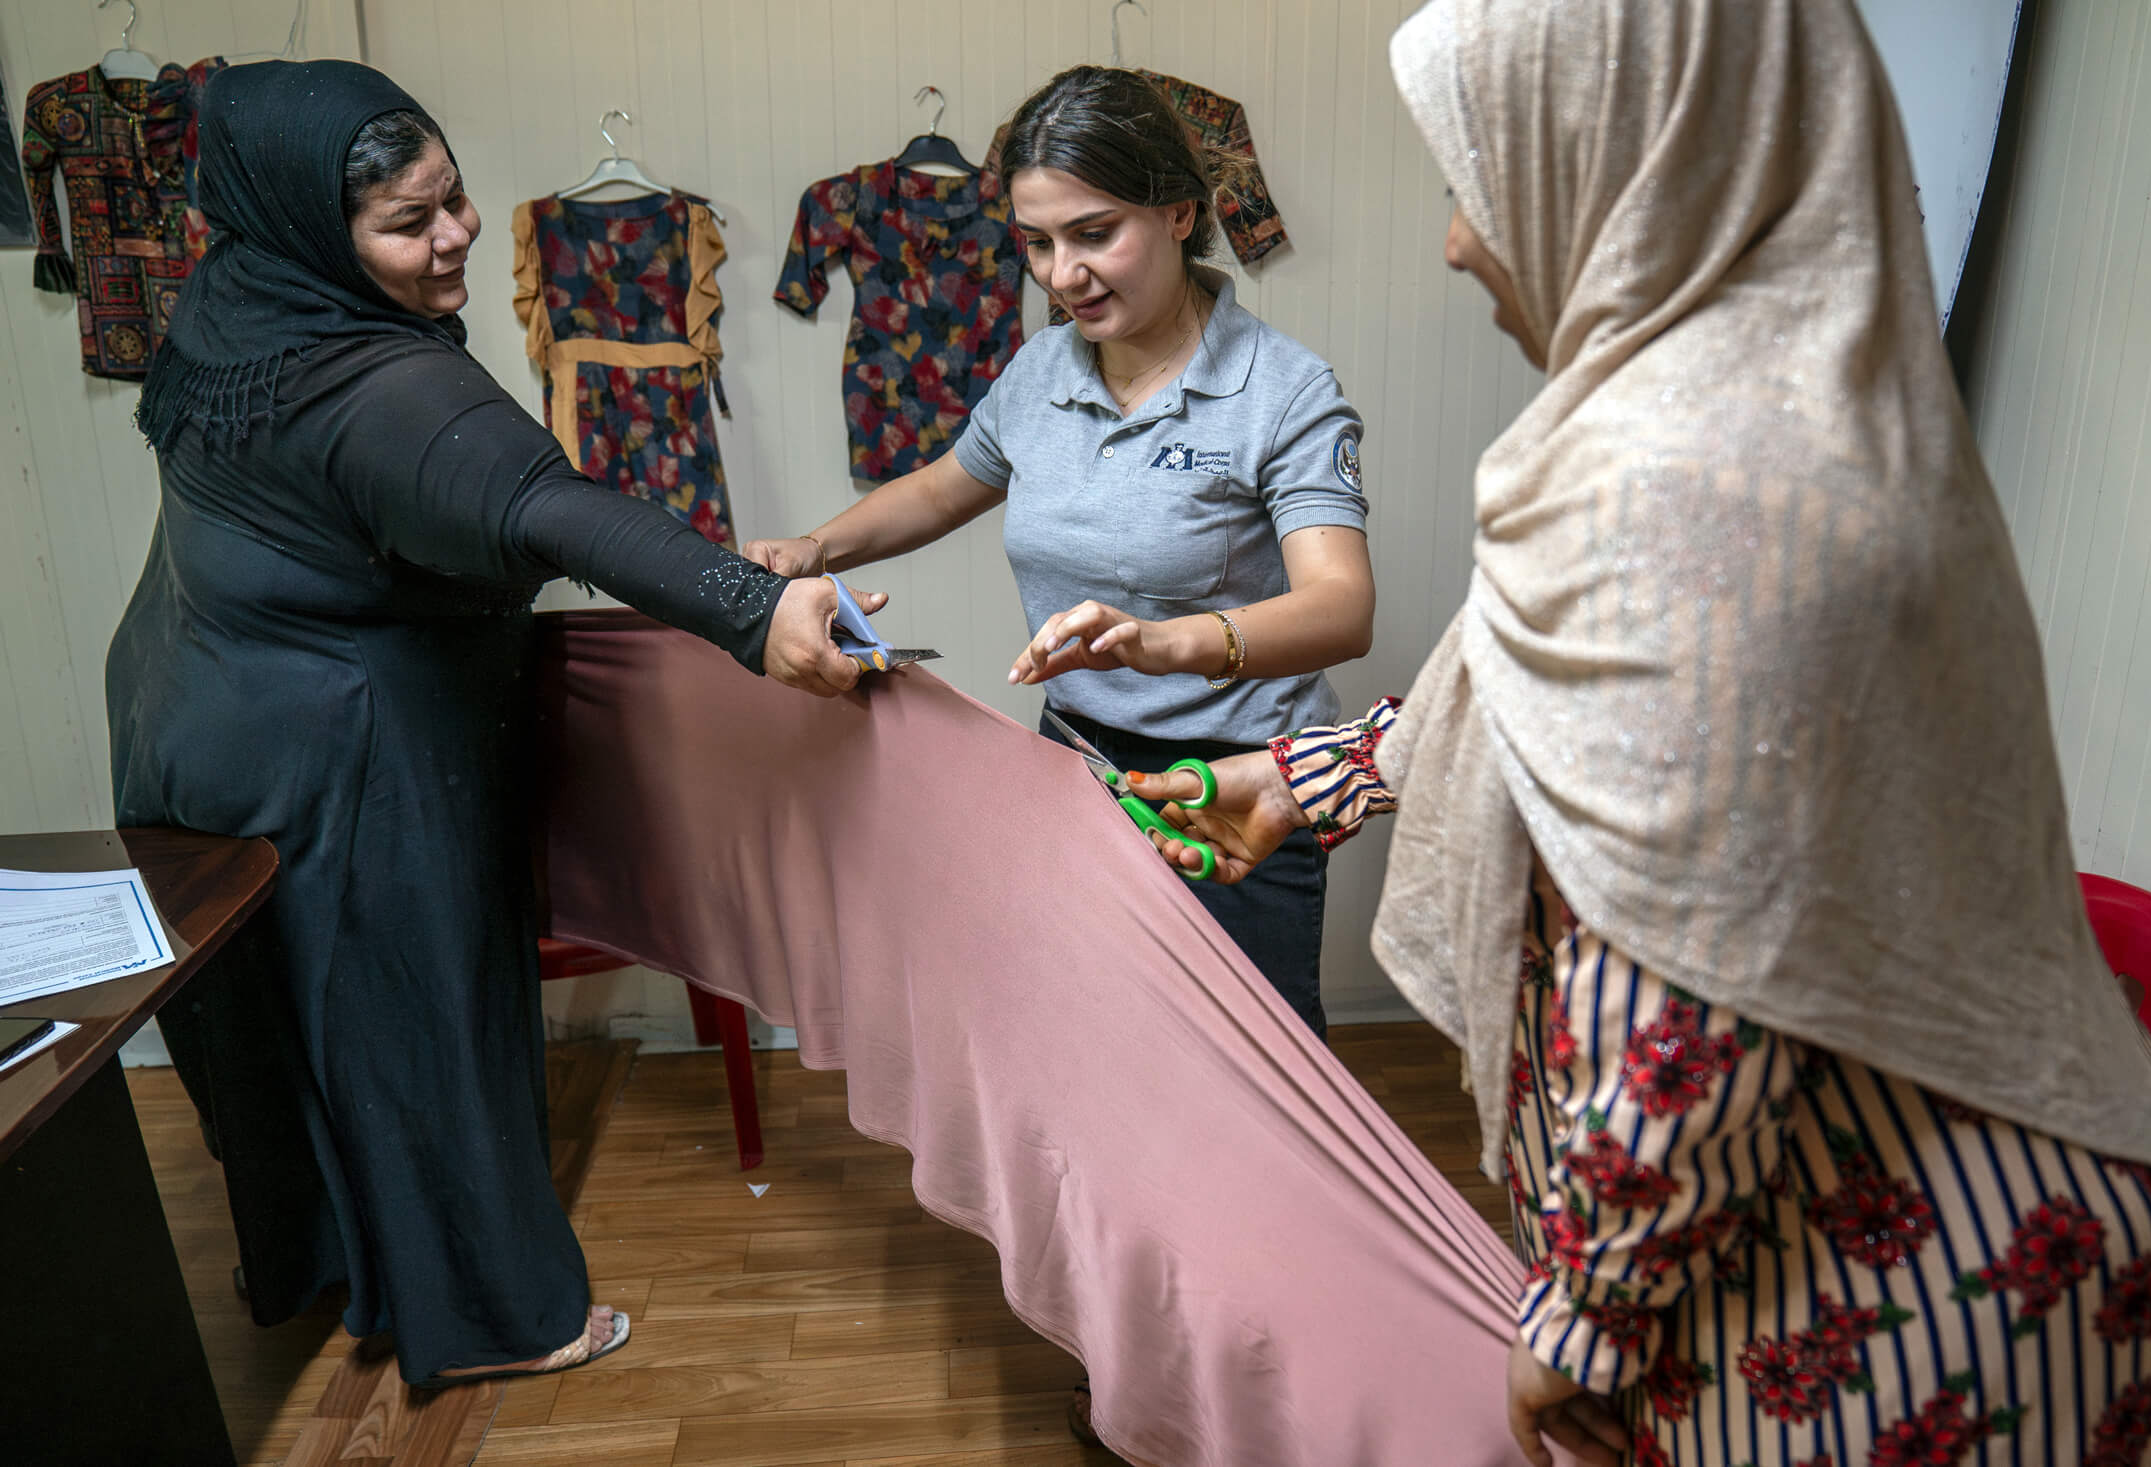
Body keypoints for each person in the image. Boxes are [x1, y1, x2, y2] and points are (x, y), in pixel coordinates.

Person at [1133, 2, 2151, 1464]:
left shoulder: (1706, 492)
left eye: (1478, 181)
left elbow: (1692, 997)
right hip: (1843, 1201)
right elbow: (1530, 691)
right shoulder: (1755, 413)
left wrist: (1576, 1321)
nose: (1457, 240)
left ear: (1631, 163)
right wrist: (1305, 775)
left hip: (1917, 1277)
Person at [107, 60, 879, 1389]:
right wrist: (757, 611)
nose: (456, 232)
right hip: (333, 749)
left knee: (290, 1021)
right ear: (311, 225)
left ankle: (318, 1261)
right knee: (418, 1021)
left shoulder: (239, 298)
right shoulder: (386, 389)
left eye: (453, 197)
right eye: (411, 223)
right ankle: (500, 1317)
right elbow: (555, 511)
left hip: (186, 714)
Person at [745, 66, 1376, 1041]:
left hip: (1233, 788)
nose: (1059, 274)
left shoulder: (1280, 389)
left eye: (1092, 234)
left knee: (1247, 1085)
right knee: (1080, 1057)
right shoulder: (1042, 369)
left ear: (1177, 212)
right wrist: (812, 545)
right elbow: (946, 484)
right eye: (1036, 242)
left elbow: (1340, 606)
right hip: (1072, 768)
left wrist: (1161, 644)